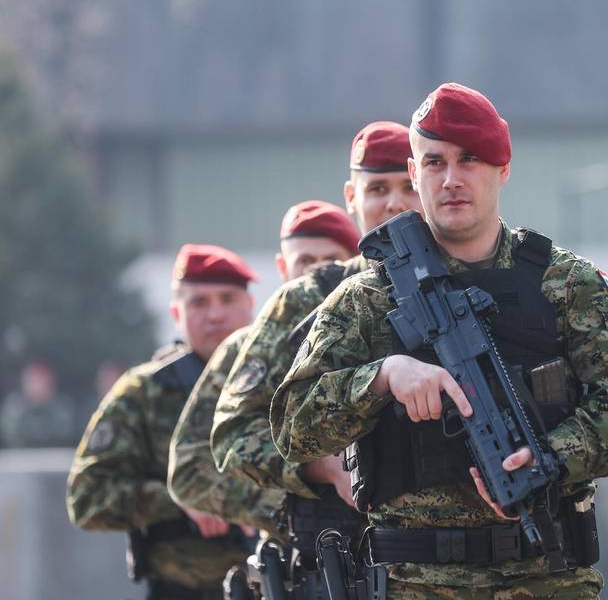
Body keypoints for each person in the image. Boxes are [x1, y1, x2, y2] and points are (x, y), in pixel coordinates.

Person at [269, 83, 608, 600]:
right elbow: (292, 427)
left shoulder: (565, 284)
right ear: (414, 174)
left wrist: (550, 457)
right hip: (415, 583)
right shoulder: (366, 297)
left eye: (470, 160)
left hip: (545, 577)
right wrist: (383, 377)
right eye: (434, 162)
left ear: (502, 169)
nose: (452, 179)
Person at [210, 121, 421, 494]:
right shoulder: (305, 299)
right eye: (377, 189)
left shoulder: (467, 285)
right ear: (351, 197)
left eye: (408, 187)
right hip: (334, 539)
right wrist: (319, 468)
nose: (395, 203)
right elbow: (233, 434)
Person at [67, 244, 258, 600]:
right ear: (176, 313)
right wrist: (181, 499)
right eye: (199, 303)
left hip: (279, 583)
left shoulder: (279, 380)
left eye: (227, 299)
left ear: (250, 306)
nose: (215, 314)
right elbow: (87, 498)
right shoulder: (143, 393)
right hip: (183, 589)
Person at [167, 201, 361, 538]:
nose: (316, 273)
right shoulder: (248, 348)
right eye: (305, 261)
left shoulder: (375, 331)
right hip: (303, 551)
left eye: (330, 261)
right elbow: (189, 470)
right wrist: (286, 505)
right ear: (283, 268)